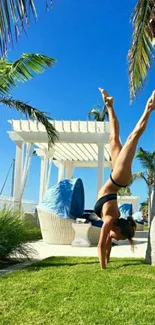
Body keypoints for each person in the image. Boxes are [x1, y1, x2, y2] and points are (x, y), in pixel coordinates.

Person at [94, 88, 155, 269]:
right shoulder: (110, 220)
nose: (115, 239)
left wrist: (107, 260)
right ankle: (150, 107)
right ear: (118, 229)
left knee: (113, 139)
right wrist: (103, 267)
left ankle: (109, 105)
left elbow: (104, 245)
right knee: (132, 138)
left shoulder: (110, 222)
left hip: (115, 177)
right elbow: (101, 245)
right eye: (119, 237)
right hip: (118, 179)